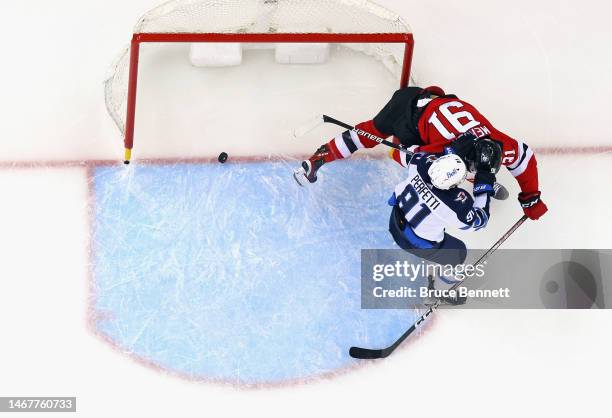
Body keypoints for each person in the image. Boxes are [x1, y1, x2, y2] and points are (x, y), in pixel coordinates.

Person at [294, 86, 548, 221]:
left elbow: (525, 159)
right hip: (406, 113)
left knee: (444, 163)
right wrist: (528, 198)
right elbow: (414, 160)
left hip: (438, 103)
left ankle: (468, 172)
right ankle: (319, 158)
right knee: (374, 136)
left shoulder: (504, 145)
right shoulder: (438, 152)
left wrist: (531, 197)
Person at [388, 149, 498, 305]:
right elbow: (479, 221)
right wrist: (484, 188)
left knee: (434, 231)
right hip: (413, 242)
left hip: (395, 221)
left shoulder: (420, 163)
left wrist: (451, 151)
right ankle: (438, 291)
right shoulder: (453, 203)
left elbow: (416, 155)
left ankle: (434, 272)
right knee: (459, 253)